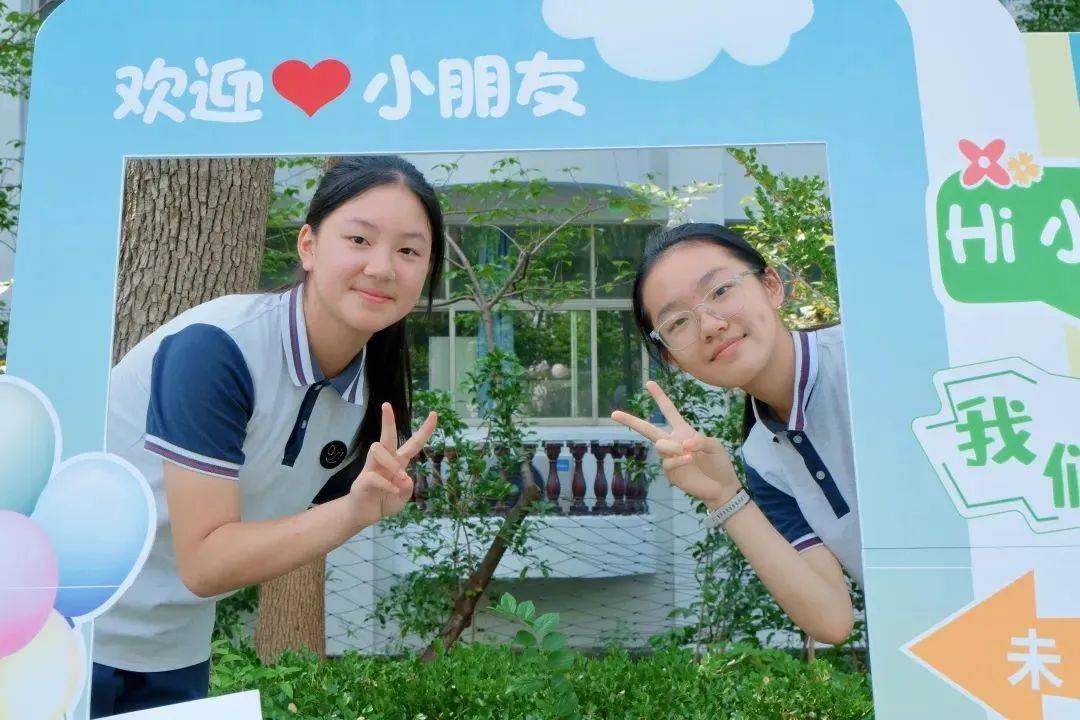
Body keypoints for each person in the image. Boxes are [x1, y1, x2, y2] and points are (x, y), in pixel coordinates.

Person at [91, 155, 443, 716]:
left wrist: (359, 504)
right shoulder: (216, 350)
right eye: (359, 239)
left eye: (408, 251)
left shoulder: (366, 395)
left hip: (174, 649)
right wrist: (353, 512)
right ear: (308, 245)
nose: (382, 268)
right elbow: (206, 562)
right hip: (59, 630)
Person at [613, 222, 857, 644]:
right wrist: (725, 496)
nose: (709, 325)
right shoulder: (765, 458)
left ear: (772, 286)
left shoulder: (866, 361)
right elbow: (832, 621)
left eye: (721, 291)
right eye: (678, 322)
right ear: (672, 360)